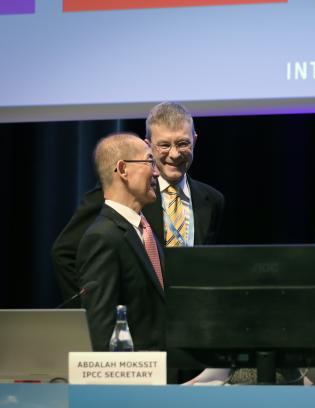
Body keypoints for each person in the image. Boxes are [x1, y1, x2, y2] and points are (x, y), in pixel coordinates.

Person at [52, 102, 225, 302]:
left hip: (192, 319)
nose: (175, 154)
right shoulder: (121, 191)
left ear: (195, 140)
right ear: (148, 145)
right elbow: (64, 252)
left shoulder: (212, 200)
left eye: (182, 143)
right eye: (164, 145)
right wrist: (88, 309)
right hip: (139, 324)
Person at [76, 133, 165, 351]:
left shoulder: (144, 230)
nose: (156, 171)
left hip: (167, 376)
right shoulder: (102, 238)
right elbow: (101, 330)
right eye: (149, 161)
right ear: (123, 170)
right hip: (135, 380)